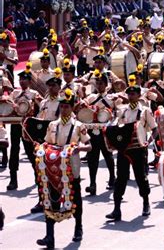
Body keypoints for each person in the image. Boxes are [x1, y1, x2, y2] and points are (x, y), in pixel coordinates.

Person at [36, 89, 92, 248]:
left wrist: (78, 149)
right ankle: (49, 236)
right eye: (62, 106)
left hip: (70, 168)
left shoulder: (78, 126)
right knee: (49, 198)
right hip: (53, 168)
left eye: (67, 106)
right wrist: (40, 148)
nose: (64, 109)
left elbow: (89, 146)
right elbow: (46, 143)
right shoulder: (52, 125)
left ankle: (78, 227)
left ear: (72, 108)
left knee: (75, 198)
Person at [106, 78, 158, 221]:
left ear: (139, 95)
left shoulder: (145, 111)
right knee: (121, 178)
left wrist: (148, 141)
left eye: (134, 94)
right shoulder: (123, 110)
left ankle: (146, 203)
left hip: (138, 148)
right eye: (129, 94)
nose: (131, 96)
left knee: (141, 177)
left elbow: (155, 129)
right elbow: (118, 127)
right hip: (124, 149)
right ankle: (117, 209)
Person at [82, 72, 119, 195]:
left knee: (108, 155)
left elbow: (118, 112)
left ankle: (112, 178)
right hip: (93, 130)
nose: (99, 85)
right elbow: (83, 106)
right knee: (92, 158)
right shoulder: (91, 97)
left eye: (101, 83)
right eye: (97, 83)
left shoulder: (111, 98)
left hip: (106, 131)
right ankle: (92, 184)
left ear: (106, 84)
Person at [6, 65, 42, 191]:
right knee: (14, 150)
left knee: (30, 151)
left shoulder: (34, 93)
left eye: (24, 79)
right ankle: (13, 179)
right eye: (20, 79)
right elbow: (8, 104)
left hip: (28, 125)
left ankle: (37, 175)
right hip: (16, 125)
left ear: (29, 81)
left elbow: (41, 106)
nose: (22, 81)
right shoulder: (15, 93)